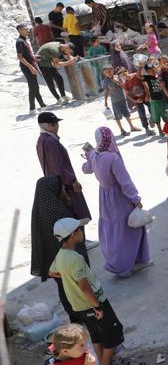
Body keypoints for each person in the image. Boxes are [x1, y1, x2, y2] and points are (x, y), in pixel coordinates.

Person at [48, 218, 141, 365]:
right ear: (72, 235)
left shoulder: (61, 256)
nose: (82, 232)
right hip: (92, 303)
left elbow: (51, 272)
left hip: (79, 306)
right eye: (79, 230)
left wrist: (67, 277)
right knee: (113, 333)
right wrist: (97, 306)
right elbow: (85, 287)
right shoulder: (75, 258)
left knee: (97, 334)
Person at [82, 127, 150, 277]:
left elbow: (86, 170)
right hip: (119, 196)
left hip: (105, 197)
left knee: (112, 229)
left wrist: (88, 156)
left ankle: (116, 263)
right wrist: (135, 199)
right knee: (130, 228)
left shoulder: (94, 155)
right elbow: (125, 182)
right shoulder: (113, 158)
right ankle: (130, 264)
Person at [31, 175, 89, 323]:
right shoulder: (60, 212)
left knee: (64, 289)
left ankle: (75, 319)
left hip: (56, 265)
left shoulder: (41, 211)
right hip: (70, 263)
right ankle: (86, 315)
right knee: (78, 289)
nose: (64, 191)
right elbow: (75, 235)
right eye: (61, 188)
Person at [37, 111, 90, 219]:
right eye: (52, 124)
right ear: (44, 126)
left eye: (56, 123)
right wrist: (72, 181)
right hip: (65, 184)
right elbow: (59, 164)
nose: (56, 126)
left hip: (54, 182)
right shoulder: (51, 141)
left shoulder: (41, 140)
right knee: (76, 215)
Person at [16, 23, 48, 112]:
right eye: (25, 29)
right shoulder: (19, 41)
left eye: (27, 29)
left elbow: (27, 54)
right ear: (20, 31)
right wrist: (30, 67)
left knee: (35, 86)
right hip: (27, 67)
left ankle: (41, 104)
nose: (27, 30)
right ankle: (32, 108)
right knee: (32, 86)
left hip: (31, 65)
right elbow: (20, 57)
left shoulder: (24, 40)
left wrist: (34, 57)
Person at [101, 65, 137, 136]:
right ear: (104, 73)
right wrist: (105, 101)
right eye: (106, 72)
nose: (109, 73)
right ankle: (122, 130)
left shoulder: (117, 77)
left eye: (110, 71)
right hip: (115, 101)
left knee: (127, 114)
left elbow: (124, 86)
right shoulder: (106, 81)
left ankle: (132, 127)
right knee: (117, 116)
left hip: (123, 99)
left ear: (113, 70)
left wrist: (117, 82)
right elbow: (106, 92)